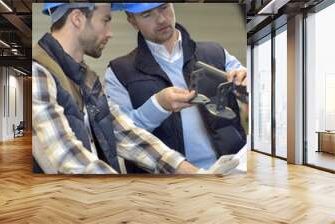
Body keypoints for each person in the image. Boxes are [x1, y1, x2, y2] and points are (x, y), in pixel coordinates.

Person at [32, 3, 205, 174]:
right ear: (77, 18)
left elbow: (128, 135)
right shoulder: (37, 73)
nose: (110, 33)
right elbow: (66, 156)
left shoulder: (86, 79)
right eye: (105, 20)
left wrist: (190, 171)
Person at [105, 3, 247, 173]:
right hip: (166, 187)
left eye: (164, 7)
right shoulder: (119, 72)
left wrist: (247, 84)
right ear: (132, 20)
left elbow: (254, 93)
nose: (161, 19)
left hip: (230, 173)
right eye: (147, 14)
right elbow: (121, 135)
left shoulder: (215, 53)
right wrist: (158, 105)